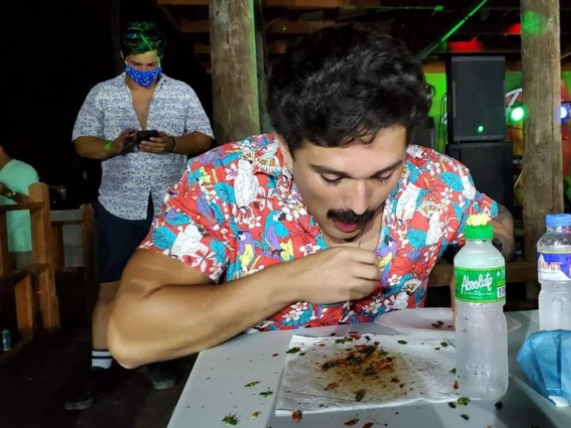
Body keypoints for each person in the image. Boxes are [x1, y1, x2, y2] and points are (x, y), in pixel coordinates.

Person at [107, 24, 515, 369]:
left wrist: (484, 260)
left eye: (383, 174)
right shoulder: (225, 183)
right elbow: (130, 335)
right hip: (258, 398)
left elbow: (498, 223)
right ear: (285, 149)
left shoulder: (437, 180)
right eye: (332, 176)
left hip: (398, 391)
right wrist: (290, 282)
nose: (359, 203)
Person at [67, 22, 213, 410]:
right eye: (136, 63)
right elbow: (82, 142)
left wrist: (173, 144)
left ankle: (159, 357)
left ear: (160, 58)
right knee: (111, 288)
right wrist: (113, 146)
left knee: (169, 286)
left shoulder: (181, 91)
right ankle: (99, 368)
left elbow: (204, 137)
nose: (144, 70)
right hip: (118, 203)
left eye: (151, 63)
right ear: (123, 58)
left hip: (170, 206)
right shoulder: (102, 94)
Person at [0, 143, 39, 265]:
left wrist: (6, 191)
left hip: (22, 245)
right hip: (2, 246)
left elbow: (36, 204)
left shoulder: (25, 170)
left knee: (24, 282)